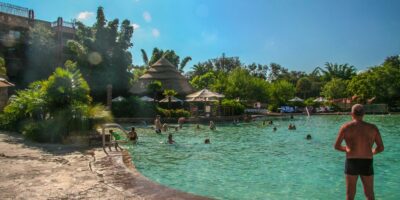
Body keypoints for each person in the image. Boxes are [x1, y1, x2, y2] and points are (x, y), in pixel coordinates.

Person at [334, 104, 384, 200]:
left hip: (352, 161)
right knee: (369, 194)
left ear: (351, 113)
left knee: (350, 195)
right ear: (364, 114)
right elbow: (381, 148)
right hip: (367, 161)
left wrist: (347, 149)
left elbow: (336, 146)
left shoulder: (345, 127)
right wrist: (372, 152)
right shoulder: (373, 128)